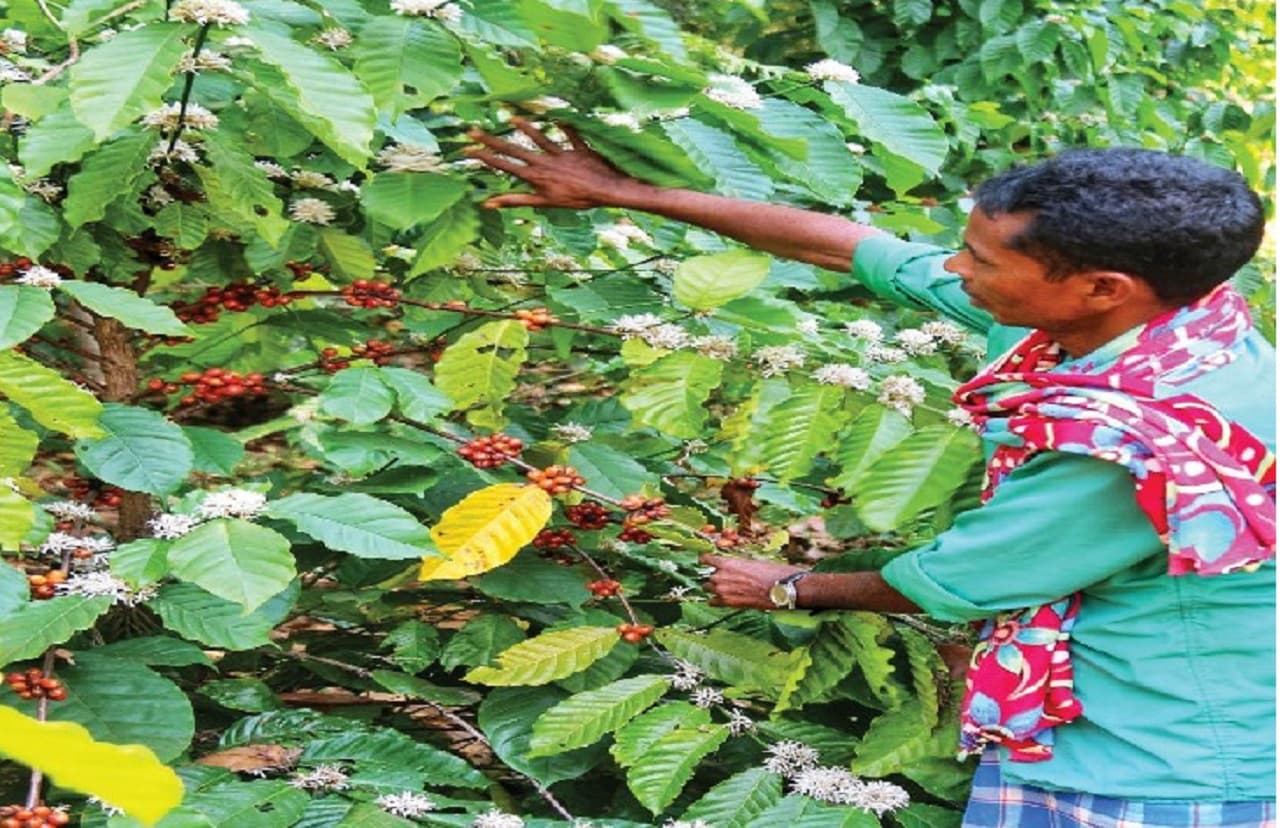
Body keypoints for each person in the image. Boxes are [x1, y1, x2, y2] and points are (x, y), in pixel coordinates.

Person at [467, 119, 1277, 827]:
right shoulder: (1157, 323)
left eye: (981, 259)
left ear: (1103, 288)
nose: (957, 269)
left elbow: (960, 580)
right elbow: (852, 246)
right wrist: (625, 193)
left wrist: (787, 585)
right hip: (1112, 723)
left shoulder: (1143, 440)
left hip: (1158, 760)